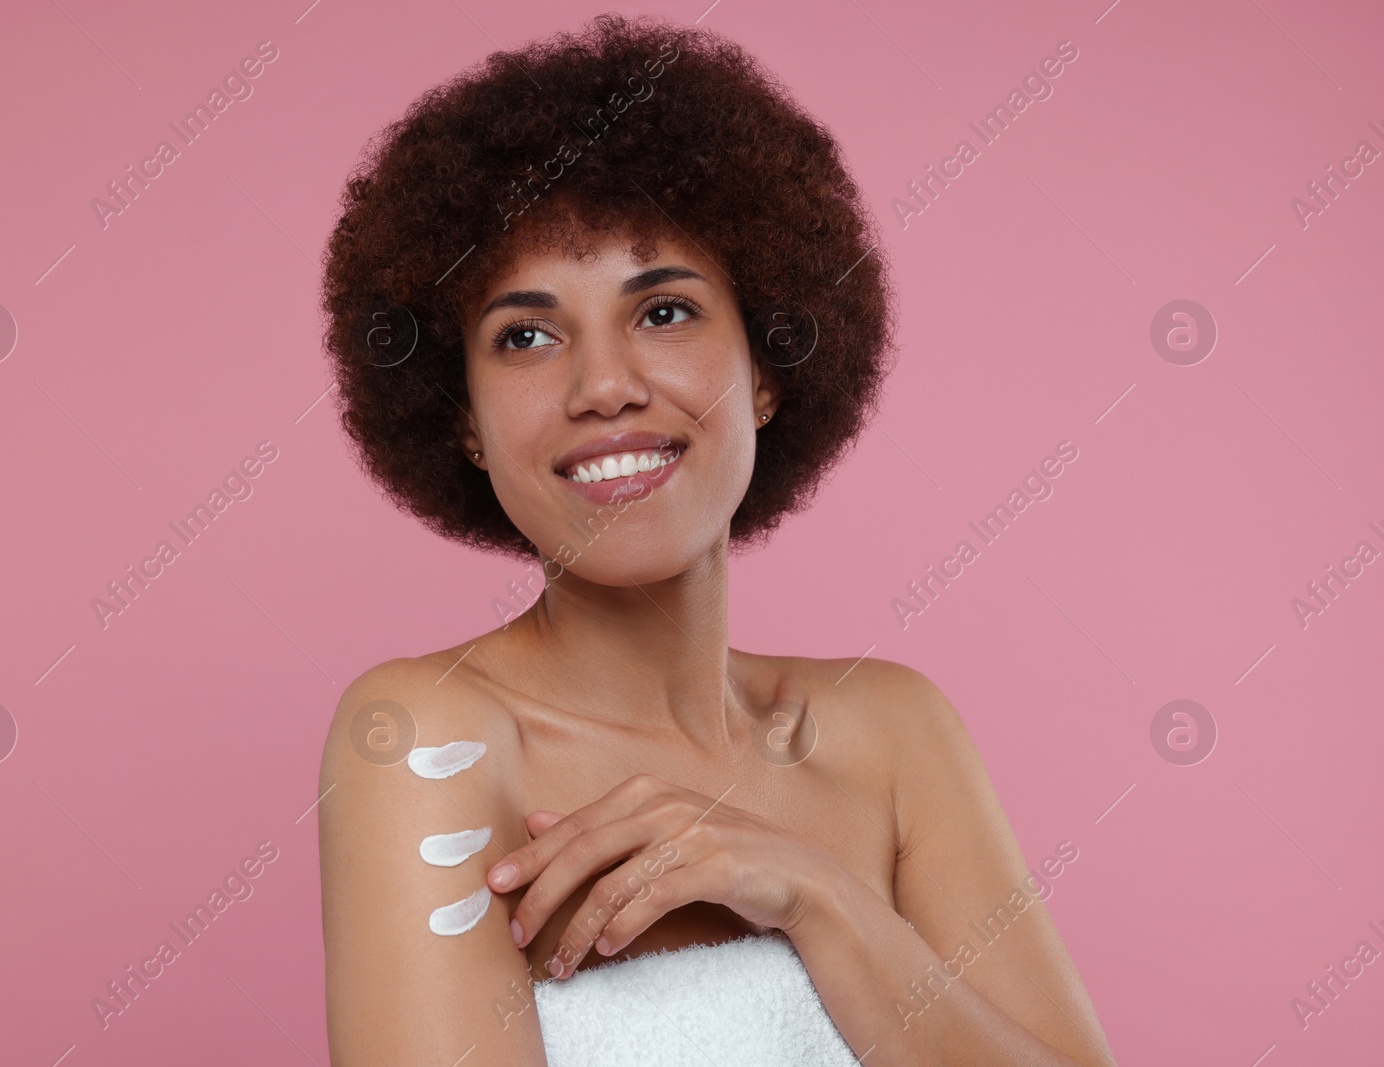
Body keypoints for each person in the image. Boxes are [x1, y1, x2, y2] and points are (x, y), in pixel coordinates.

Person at [318, 14, 1113, 1066]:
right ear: (460, 417)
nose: (604, 384)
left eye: (664, 313)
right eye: (526, 334)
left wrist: (821, 896)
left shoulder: (893, 734)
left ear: (772, 365)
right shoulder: (431, 737)